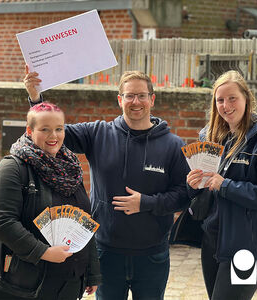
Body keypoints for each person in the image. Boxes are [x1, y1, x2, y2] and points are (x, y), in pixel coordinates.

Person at [24, 68, 190, 300]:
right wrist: (35, 99)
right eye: (129, 95)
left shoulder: (173, 145)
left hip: (152, 255)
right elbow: (53, 132)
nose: (136, 101)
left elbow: (184, 195)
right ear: (119, 100)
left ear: (152, 100)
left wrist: (146, 203)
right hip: (106, 252)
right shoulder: (98, 134)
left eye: (142, 95)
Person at [186, 70, 257, 300]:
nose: (226, 105)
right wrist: (193, 185)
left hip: (248, 247)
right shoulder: (211, 137)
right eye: (220, 100)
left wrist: (226, 186)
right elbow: (206, 192)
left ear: (247, 98)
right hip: (213, 240)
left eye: (232, 98)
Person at [0, 102, 101, 300]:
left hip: (66, 283)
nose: (53, 136)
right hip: (18, 285)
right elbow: (1, 222)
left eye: (58, 129)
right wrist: (43, 252)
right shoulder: (12, 168)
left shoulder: (70, 169)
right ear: (30, 131)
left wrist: (91, 272)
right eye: (45, 129)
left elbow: (83, 223)